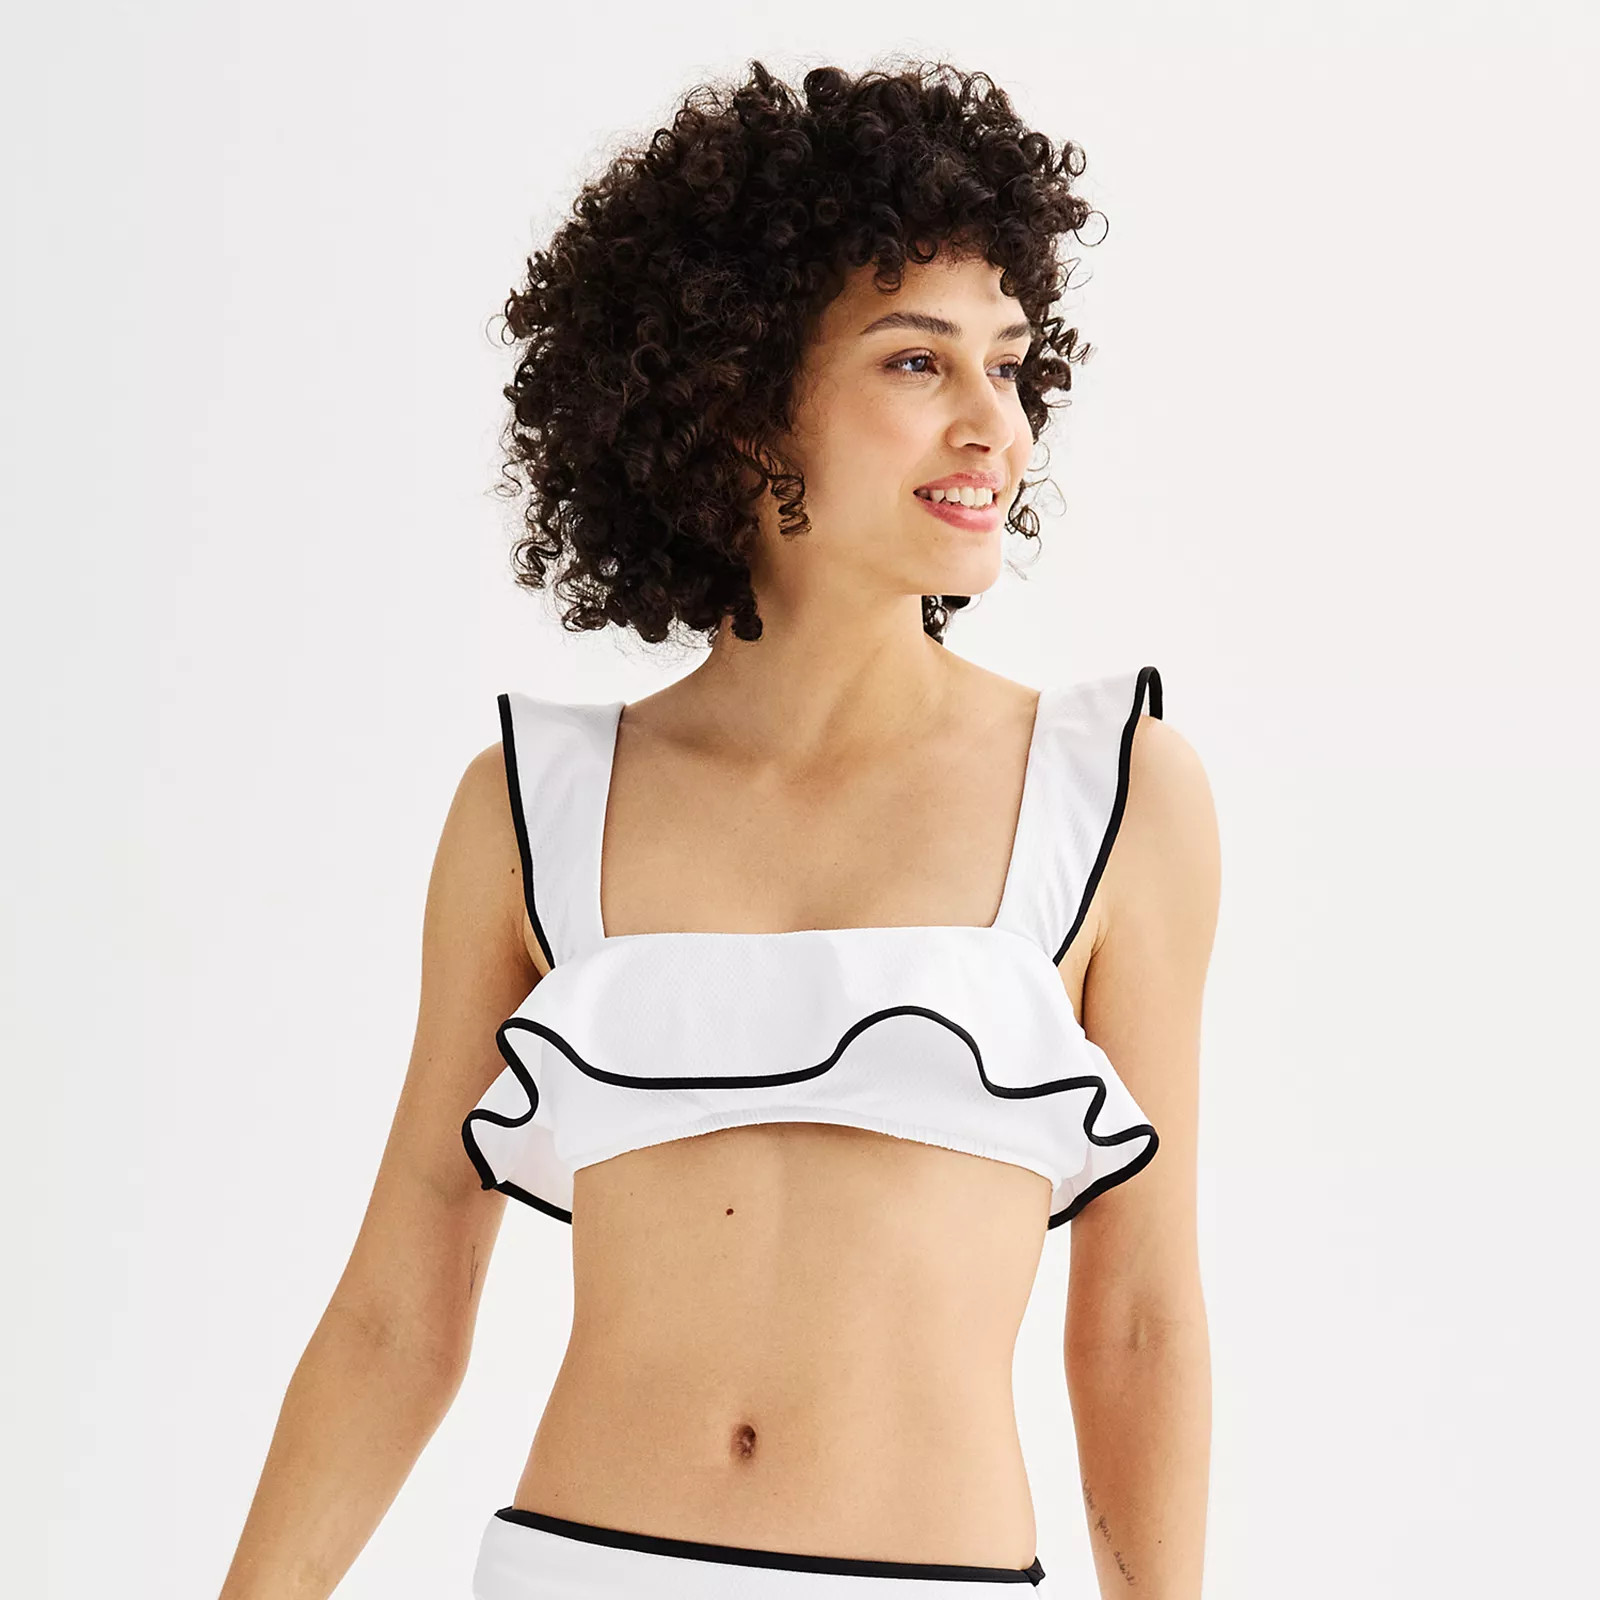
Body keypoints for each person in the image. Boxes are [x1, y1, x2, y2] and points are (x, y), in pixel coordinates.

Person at [218, 57, 1220, 1600]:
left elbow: (1140, 1326)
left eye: (1010, 366)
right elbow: (396, 1319)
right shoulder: (531, 805)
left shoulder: (1116, 791)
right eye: (918, 362)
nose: (995, 428)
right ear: (739, 402)